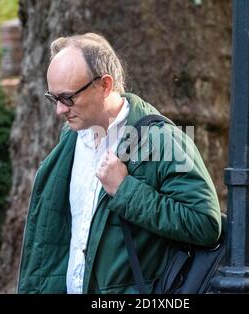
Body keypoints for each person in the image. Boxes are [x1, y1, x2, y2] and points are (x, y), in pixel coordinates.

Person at [17, 33, 221, 294]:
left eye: (68, 98)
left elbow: (205, 224)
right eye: (53, 98)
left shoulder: (164, 141)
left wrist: (125, 190)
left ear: (105, 85)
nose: (59, 110)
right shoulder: (70, 139)